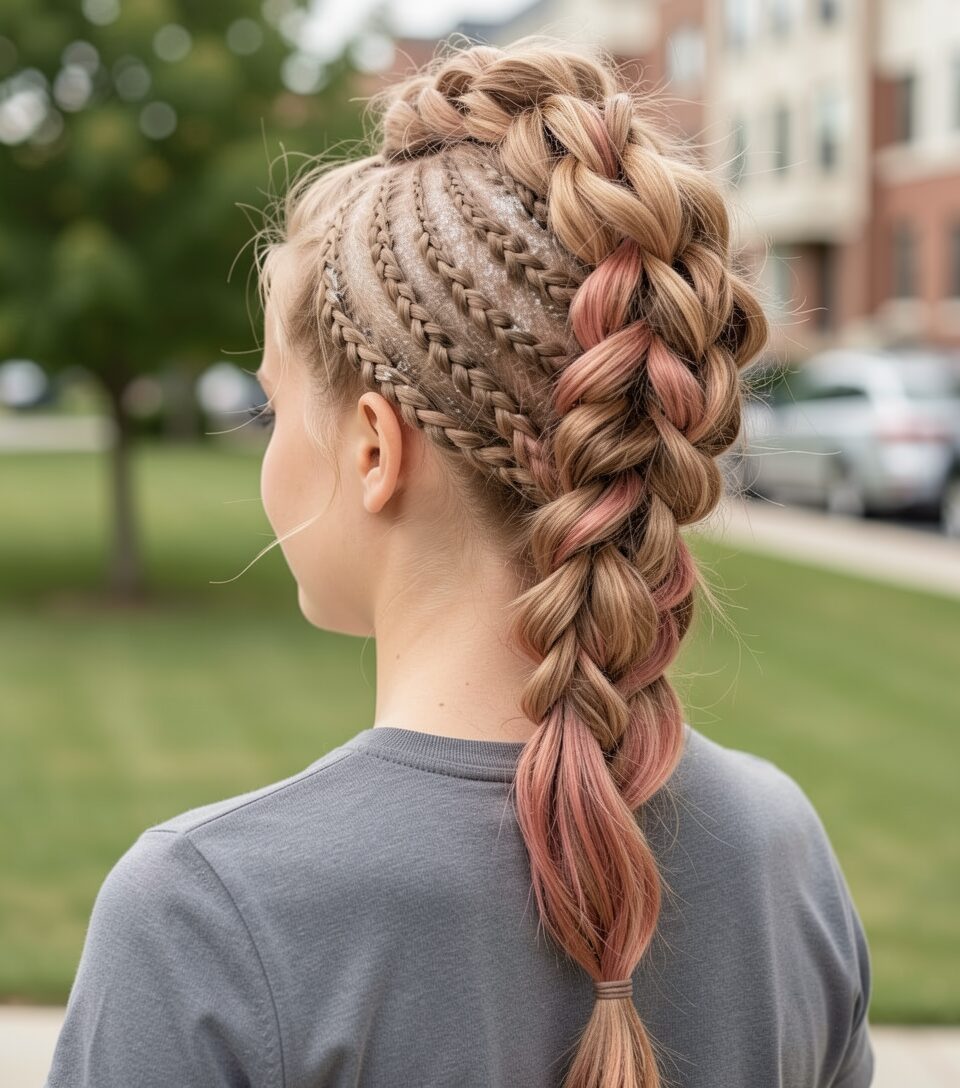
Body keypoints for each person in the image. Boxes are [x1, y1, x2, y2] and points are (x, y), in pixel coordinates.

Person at [44, 36, 874, 1088]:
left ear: (375, 448)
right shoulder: (778, 852)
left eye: (273, 403)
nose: (265, 443)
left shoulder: (208, 920)